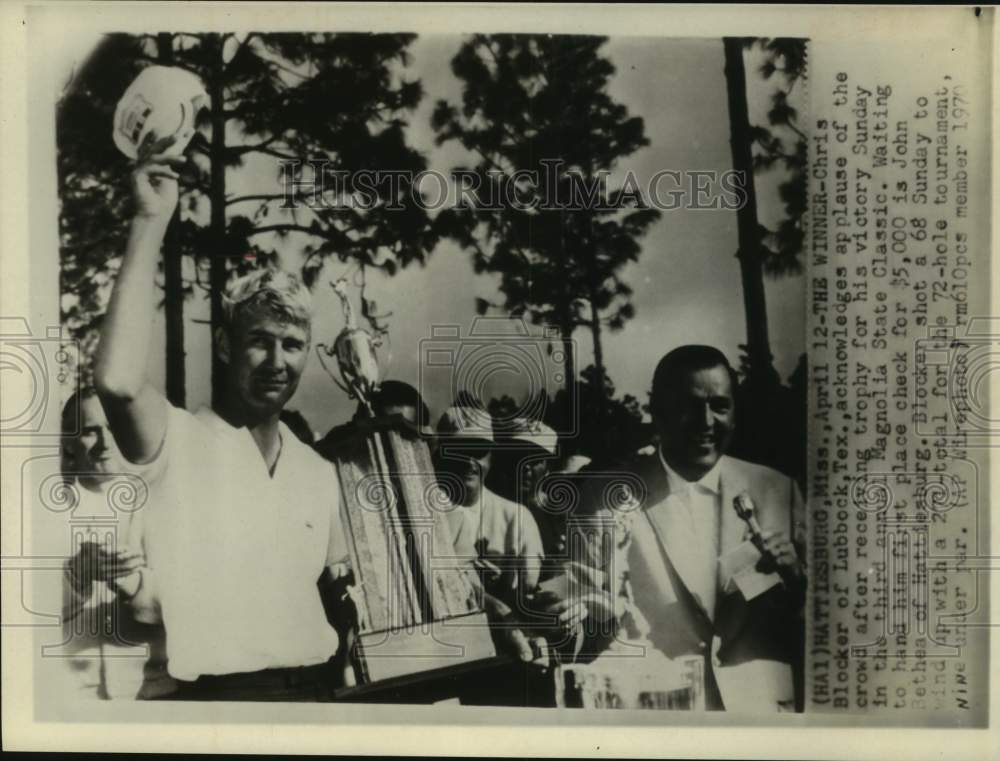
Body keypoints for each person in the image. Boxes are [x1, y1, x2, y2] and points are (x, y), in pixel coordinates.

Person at [94, 137, 350, 701]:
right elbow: (115, 380)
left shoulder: (316, 470)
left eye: (292, 344)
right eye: (259, 341)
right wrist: (149, 219)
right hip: (220, 704)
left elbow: (348, 589)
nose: (277, 362)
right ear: (227, 347)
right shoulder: (176, 439)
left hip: (315, 698)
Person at [581, 345, 806, 711]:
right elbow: (587, 610)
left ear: (735, 411)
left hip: (761, 711)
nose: (705, 421)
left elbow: (827, 628)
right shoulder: (608, 496)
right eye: (688, 406)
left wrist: (797, 580)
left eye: (720, 405)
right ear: (657, 412)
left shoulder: (778, 489)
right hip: (658, 712)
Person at [56, 388, 176, 700]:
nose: (105, 444)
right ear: (67, 441)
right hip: (71, 696)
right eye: (89, 432)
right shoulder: (44, 510)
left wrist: (132, 583)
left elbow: (192, 602)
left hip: (151, 692)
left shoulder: (165, 503)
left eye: (114, 429)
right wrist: (76, 576)